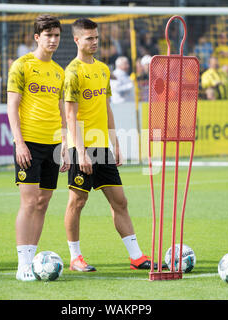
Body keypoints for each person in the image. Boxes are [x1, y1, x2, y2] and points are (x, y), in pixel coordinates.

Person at [63, 18, 156, 272]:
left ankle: (136, 257)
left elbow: (106, 109)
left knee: (120, 201)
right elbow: (70, 116)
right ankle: (75, 257)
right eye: (88, 38)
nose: (94, 42)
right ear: (77, 40)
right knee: (77, 202)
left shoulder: (104, 70)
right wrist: (80, 152)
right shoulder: (72, 72)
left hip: (103, 147)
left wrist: (115, 143)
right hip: (81, 147)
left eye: (96, 37)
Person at [6, 14, 70, 282]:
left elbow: (61, 110)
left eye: (56, 36)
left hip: (54, 143)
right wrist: (19, 142)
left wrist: (66, 143)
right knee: (29, 202)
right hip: (29, 143)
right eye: (48, 36)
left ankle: (32, 260)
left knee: (43, 203)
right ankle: (22, 265)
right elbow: (12, 107)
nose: (53, 40)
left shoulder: (59, 71)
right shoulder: (21, 66)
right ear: (37, 37)